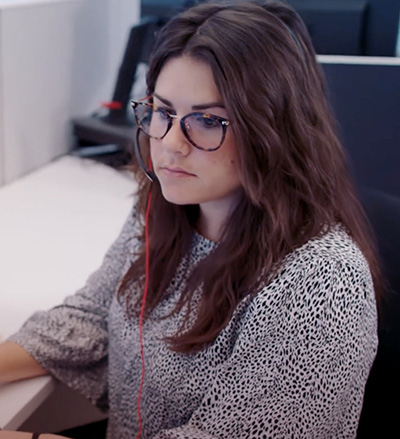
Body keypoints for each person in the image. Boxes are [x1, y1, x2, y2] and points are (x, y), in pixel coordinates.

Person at [0, 1, 380, 438]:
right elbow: (94, 313)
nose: (171, 144)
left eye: (207, 121)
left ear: (273, 130)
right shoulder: (166, 208)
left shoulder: (322, 283)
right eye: (162, 112)